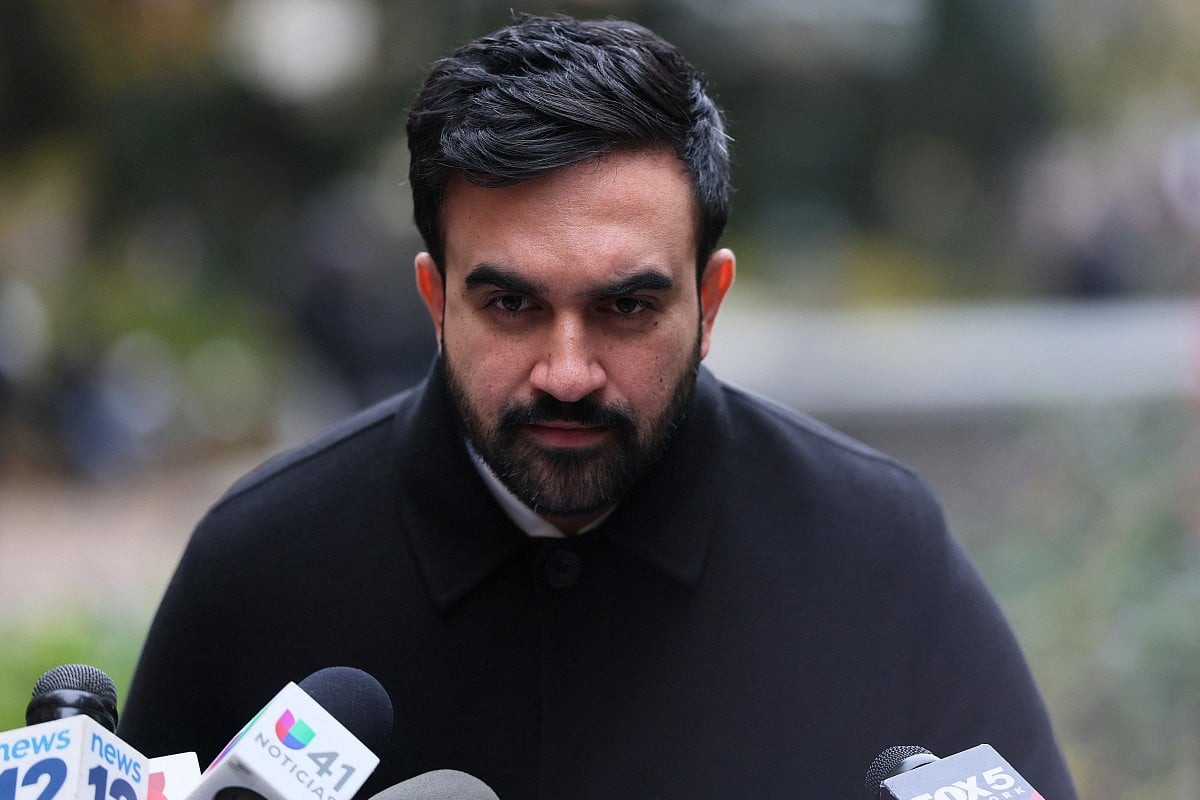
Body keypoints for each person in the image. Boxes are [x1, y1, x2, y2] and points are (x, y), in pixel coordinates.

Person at [118, 14, 1078, 800]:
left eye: (625, 306)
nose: (568, 371)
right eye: (511, 305)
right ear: (432, 304)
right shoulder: (259, 565)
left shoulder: (878, 551)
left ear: (709, 304)